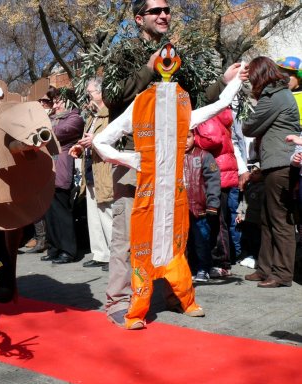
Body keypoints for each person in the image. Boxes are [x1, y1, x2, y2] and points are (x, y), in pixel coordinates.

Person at [100, 0, 245, 328]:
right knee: (128, 235)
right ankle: (120, 303)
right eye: (155, 11)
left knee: (171, 228)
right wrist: (148, 69)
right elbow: (111, 95)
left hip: (168, 159)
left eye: (166, 9)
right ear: (139, 18)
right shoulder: (124, 53)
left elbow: (195, 95)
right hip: (134, 156)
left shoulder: (176, 53)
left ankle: (173, 296)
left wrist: (223, 82)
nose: (164, 14)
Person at [242, 56, 300, 288]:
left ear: (260, 75)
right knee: (267, 219)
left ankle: (283, 274)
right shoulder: (279, 93)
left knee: (280, 221)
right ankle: (265, 268)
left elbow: (249, 126)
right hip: (273, 164)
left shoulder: (274, 96)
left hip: (280, 164)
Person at [69, 77, 113, 270]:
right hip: (90, 169)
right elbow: (86, 139)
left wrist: (94, 140)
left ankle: (115, 255)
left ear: (101, 93)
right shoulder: (91, 116)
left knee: (107, 213)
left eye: (90, 93)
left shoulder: (111, 115)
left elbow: (112, 139)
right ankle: (100, 253)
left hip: (103, 169)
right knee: (93, 215)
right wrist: (79, 147)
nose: (88, 96)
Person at [193, 108, 241, 277]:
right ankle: (219, 260)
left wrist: (192, 136)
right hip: (224, 172)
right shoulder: (219, 113)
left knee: (217, 222)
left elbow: (211, 140)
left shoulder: (207, 114)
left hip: (217, 174)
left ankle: (221, 262)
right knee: (219, 221)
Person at [41, 86, 84, 264]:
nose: (56, 104)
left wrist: (43, 123)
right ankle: (54, 247)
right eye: (55, 101)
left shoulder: (74, 117)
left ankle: (68, 250)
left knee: (61, 212)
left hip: (61, 167)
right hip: (46, 170)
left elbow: (57, 133)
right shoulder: (51, 117)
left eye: (59, 101)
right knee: (48, 212)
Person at [184, 129, 221, 282]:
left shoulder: (204, 156)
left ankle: (203, 268)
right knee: (184, 243)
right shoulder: (172, 156)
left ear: (194, 137)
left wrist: (212, 203)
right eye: (181, 137)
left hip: (199, 207)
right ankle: (187, 269)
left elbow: (213, 181)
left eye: (188, 137)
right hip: (179, 209)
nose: (185, 140)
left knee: (201, 240)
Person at [25, 93, 54, 253]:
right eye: (40, 100)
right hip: (34, 165)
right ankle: (39, 237)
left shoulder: (51, 118)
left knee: (47, 205)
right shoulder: (34, 118)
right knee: (35, 204)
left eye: (46, 101)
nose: (42, 103)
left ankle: (45, 239)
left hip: (50, 164)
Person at [235, 163, 264, 269]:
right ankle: (249, 255)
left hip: (256, 219)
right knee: (247, 238)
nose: (252, 174)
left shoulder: (263, 188)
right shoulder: (249, 185)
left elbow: (262, 206)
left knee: (257, 239)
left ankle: (256, 258)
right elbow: (243, 202)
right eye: (251, 172)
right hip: (247, 218)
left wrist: (262, 220)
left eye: (256, 172)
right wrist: (239, 213)